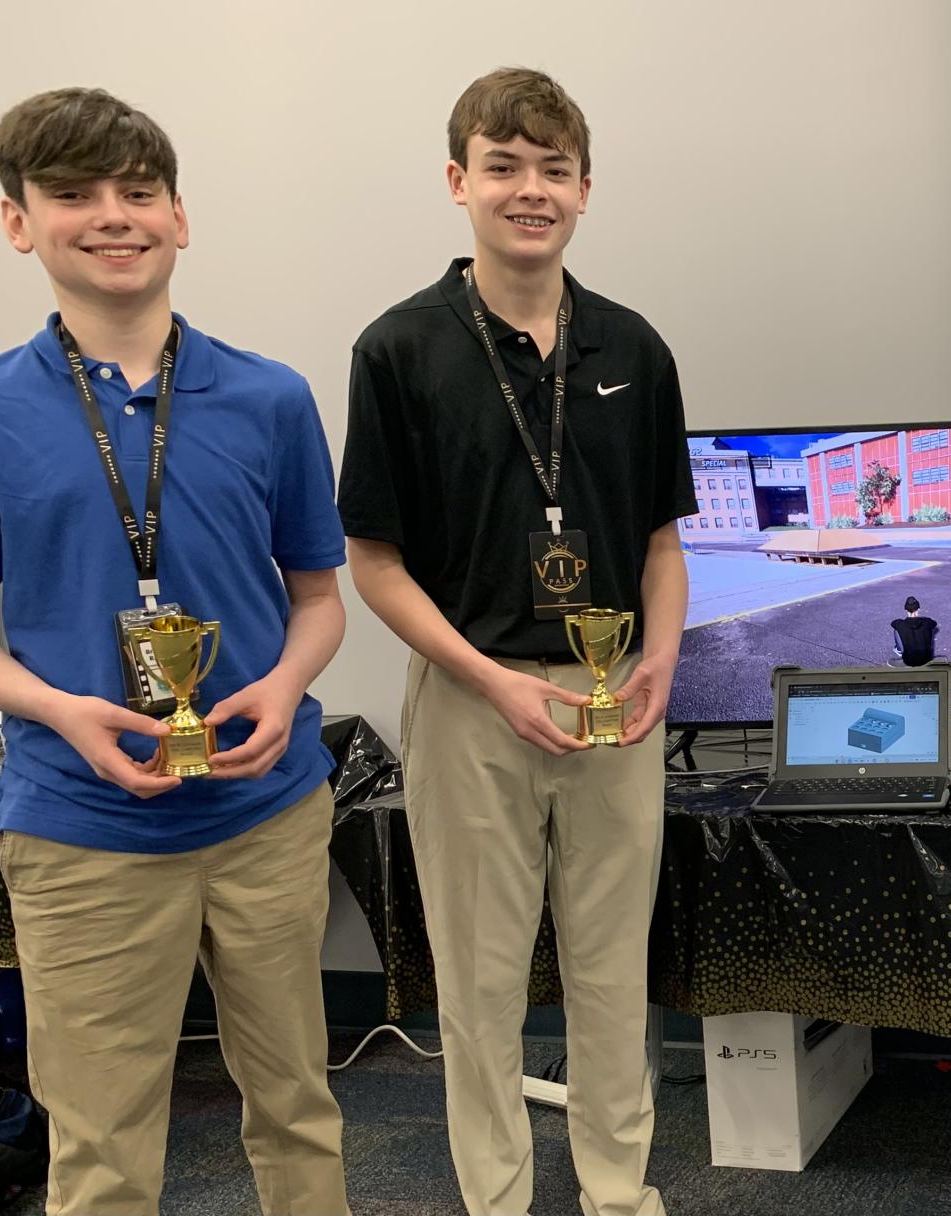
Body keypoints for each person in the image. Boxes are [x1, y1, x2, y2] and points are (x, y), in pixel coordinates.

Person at [0, 88, 349, 1216]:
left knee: (300, 1106)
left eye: (138, 192)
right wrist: (61, 709)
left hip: (267, 813)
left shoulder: (270, 396)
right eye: (71, 195)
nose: (112, 216)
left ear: (179, 216)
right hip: (81, 831)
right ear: (19, 222)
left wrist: (288, 682)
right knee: (101, 1149)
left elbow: (319, 602)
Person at [337, 67, 694, 1216]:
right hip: (470, 697)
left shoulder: (636, 346)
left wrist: (662, 662)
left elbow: (660, 544)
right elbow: (375, 565)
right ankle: (494, 1198)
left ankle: (616, 1190)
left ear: (585, 188)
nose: (529, 190)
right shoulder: (398, 350)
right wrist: (491, 679)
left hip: (615, 705)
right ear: (460, 181)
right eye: (504, 166)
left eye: (552, 169)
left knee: (609, 969)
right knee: (481, 984)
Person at [891, 595, 939, 666]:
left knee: (896, 630)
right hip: (927, 659)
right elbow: (934, 623)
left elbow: (893, 623)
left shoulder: (900, 624)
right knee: (930, 628)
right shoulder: (926, 622)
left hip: (908, 660)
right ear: (918, 609)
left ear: (906, 610)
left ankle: (899, 650)